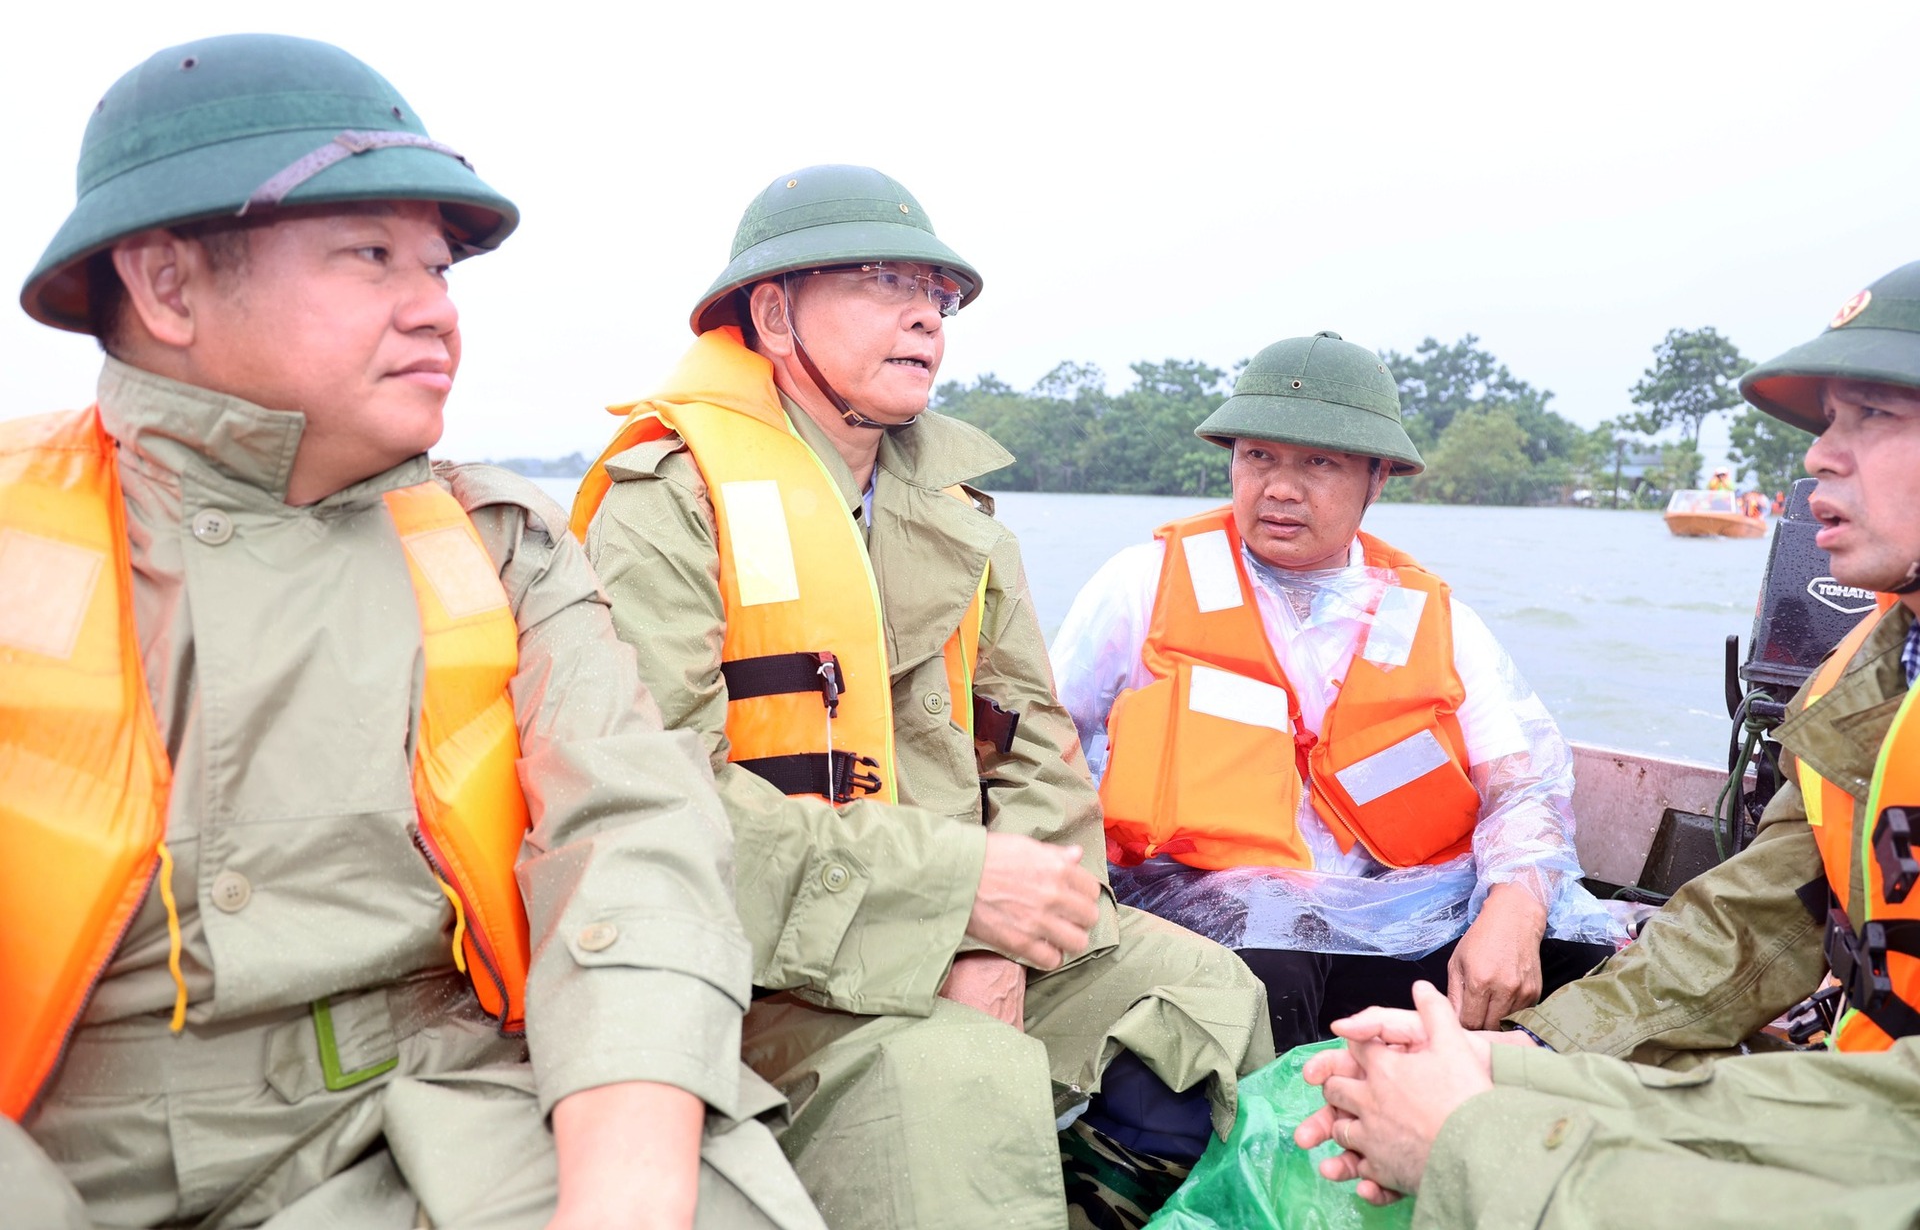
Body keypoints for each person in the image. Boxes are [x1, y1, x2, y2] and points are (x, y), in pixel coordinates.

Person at [0, 35, 821, 1230]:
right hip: (76, 1145)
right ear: (168, 285)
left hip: (449, 1108)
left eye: (439, 268)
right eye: (370, 254)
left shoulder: (502, 542)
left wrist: (626, 1197)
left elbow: (637, 840)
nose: (433, 308)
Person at [572, 164, 1273, 1229]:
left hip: (962, 917)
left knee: (1207, 995)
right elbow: (660, 804)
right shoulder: (669, 505)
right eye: (881, 280)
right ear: (772, 313)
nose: (925, 316)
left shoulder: (958, 514)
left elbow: (1039, 753)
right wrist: (946, 905)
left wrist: (998, 935)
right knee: (945, 1080)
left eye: (936, 294)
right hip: (763, 960)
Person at [1296, 260, 1920, 1225]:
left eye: (1872, 416)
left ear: (1378, 482)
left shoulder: (1431, 617)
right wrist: (1528, 1059)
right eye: (1825, 423)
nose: (1816, 461)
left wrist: (1487, 1131)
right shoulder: (1879, 680)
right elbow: (1749, 922)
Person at [1049, 333, 1620, 1055]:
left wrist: (1511, 914)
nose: (1281, 488)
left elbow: (1524, 787)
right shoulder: (1141, 584)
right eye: (1259, 457)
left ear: (1377, 480)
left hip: (1391, 916)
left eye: (1320, 462)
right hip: (1206, 915)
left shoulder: (1436, 619)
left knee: (1586, 965)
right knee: (1271, 967)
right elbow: (1042, 745)